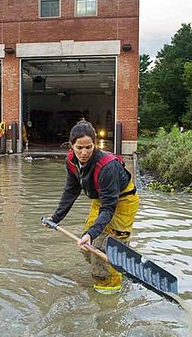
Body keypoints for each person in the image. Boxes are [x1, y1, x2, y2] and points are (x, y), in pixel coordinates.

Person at [43, 120, 139, 293]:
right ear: (71, 145)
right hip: (100, 200)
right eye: (79, 148)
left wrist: (92, 233)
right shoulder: (71, 161)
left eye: (89, 147)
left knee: (107, 247)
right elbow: (71, 191)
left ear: (95, 145)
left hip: (123, 202)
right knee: (88, 245)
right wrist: (56, 218)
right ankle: (114, 269)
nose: (84, 152)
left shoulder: (107, 167)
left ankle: (110, 290)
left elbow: (109, 208)